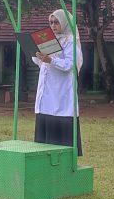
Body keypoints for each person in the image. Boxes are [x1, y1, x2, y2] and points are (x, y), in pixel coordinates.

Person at [31, 10, 85, 155]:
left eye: (57, 22)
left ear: (65, 23)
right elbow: (39, 62)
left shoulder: (70, 42)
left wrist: (51, 60)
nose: (53, 25)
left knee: (61, 116)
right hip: (47, 89)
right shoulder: (47, 40)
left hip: (61, 91)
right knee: (46, 117)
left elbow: (70, 64)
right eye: (51, 22)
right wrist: (36, 54)